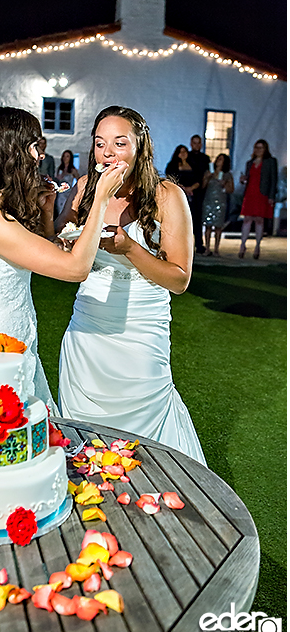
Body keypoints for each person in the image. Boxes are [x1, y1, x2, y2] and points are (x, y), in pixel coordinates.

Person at [55, 106, 206, 466]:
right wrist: (60, 214)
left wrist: (130, 248)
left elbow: (179, 278)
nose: (108, 154)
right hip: (87, 330)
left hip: (140, 329)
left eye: (119, 143)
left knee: (147, 434)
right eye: (100, 144)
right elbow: (60, 240)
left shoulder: (168, 195)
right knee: (86, 437)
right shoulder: (86, 188)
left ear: (140, 147)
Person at [0, 106, 124, 412]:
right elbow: (75, 268)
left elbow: (46, 249)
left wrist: (46, 208)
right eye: (33, 146)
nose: (40, 155)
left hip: (16, 338)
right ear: (9, 152)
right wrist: (101, 199)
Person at [237, 139, 278, 259]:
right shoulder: (250, 163)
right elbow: (248, 178)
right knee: (247, 219)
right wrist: (243, 179)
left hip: (262, 194)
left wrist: (271, 196)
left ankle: (257, 246)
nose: (258, 150)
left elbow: (273, 180)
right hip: (250, 193)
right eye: (256, 147)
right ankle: (243, 244)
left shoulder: (270, 162)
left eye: (261, 148)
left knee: (259, 220)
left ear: (265, 149)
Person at [200, 153, 234, 256]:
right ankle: (207, 248)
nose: (218, 160)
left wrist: (224, 184)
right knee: (208, 226)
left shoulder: (227, 175)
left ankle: (216, 249)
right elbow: (203, 186)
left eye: (221, 159)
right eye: (218, 158)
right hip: (209, 201)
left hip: (220, 201)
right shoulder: (209, 172)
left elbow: (231, 190)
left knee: (218, 226)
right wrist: (206, 178)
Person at [187, 135, 211, 254]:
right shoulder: (187, 156)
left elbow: (206, 174)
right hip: (187, 191)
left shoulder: (205, 158)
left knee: (198, 219)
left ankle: (199, 244)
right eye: (194, 143)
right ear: (191, 143)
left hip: (200, 191)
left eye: (198, 143)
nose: (196, 145)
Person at [54, 149, 80, 216]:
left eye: (67, 156)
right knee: (60, 208)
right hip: (60, 193)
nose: (65, 158)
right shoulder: (59, 169)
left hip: (68, 192)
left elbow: (79, 180)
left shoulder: (73, 170)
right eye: (64, 156)